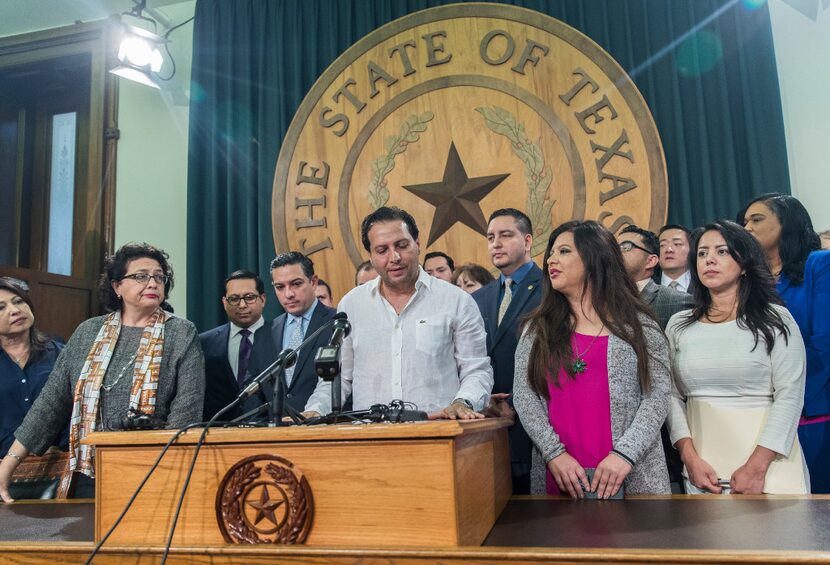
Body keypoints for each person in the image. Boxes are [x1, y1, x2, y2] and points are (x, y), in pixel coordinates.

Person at [0, 243, 205, 502]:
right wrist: (8, 464)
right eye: (141, 276)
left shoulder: (181, 333)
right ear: (117, 286)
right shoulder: (88, 332)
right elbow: (50, 405)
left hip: (154, 470)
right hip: (89, 471)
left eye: (159, 276)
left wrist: (166, 472)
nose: (152, 283)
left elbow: (186, 413)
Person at [514, 221, 671, 498]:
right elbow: (525, 397)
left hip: (628, 471)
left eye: (563, 251)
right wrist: (554, 453)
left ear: (595, 258)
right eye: (551, 252)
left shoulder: (640, 326)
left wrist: (625, 455)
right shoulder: (537, 329)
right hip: (561, 473)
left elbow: (657, 397)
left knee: (634, 541)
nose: (551, 259)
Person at [303, 206, 493, 417]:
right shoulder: (352, 305)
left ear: (417, 244)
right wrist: (315, 410)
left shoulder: (456, 301)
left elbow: (476, 369)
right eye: (382, 250)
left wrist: (463, 401)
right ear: (371, 256)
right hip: (369, 437)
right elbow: (339, 378)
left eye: (402, 245)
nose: (394, 257)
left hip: (437, 432)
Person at [666, 220, 808, 494]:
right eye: (703, 253)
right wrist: (689, 457)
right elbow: (670, 395)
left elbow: (791, 393)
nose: (710, 260)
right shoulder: (679, 324)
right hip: (701, 470)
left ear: (744, 263)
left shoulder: (776, 318)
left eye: (722, 251)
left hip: (770, 466)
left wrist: (757, 466)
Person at [738, 193, 830, 492]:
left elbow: (824, 343)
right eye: (744, 221)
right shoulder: (747, 282)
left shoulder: (819, 264)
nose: (747, 227)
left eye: (757, 219)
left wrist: (788, 395)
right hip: (760, 414)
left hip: (813, 406)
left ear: (786, 222)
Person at [471, 208, 542, 494]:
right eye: (490, 237)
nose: (496, 244)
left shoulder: (550, 289)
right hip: (489, 422)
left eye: (505, 235)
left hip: (536, 425)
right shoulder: (478, 298)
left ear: (527, 241)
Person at [242, 252, 336, 417]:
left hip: (324, 431)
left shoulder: (337, 323)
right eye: (280, 287)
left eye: (296, 284)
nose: (288, 294)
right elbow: (254, 395)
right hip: (275, 435)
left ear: (313, 282)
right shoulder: (264, 333)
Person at [1, 278, 67, 459]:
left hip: (57, 463)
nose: (15, 311)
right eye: (1, 308)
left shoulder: (61, 354)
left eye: (19, 301)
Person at [200, 270, 267, 421]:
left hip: (267, 430)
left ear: (263, 299)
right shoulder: (204, 342)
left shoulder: (278, 336)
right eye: (234, 299)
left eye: (250, 298)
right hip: (217, 432)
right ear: (224, 302)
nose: (242, 305)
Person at [617, 225, 694, 330]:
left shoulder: (680, 302)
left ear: (651, 261)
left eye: (626, 247)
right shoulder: (599, 299)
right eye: (614, 248)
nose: (616, 253)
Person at [659, 224, 693, 292]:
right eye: (662, 245)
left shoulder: (704, 283)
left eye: (677, 244)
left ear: (691, 249)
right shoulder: (646, 285)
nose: (669, 250)